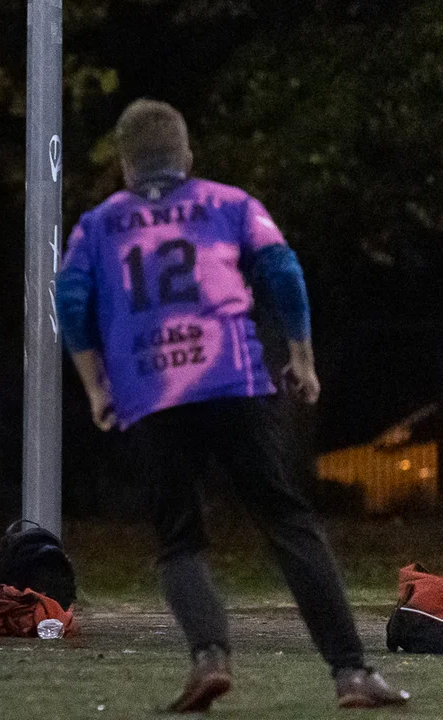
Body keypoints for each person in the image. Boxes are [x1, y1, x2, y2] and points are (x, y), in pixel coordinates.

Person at [55, 99, 411, 711]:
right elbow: (283, 270)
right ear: (187, 157)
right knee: (286, 519)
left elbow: (71, 297)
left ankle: (209, 657)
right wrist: (301, 355)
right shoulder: (229, 203)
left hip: (150, 392)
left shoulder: (97, 225)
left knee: (179, 537)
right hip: (232, 378)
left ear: (123, 166)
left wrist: (95, 385)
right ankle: (351, 673)